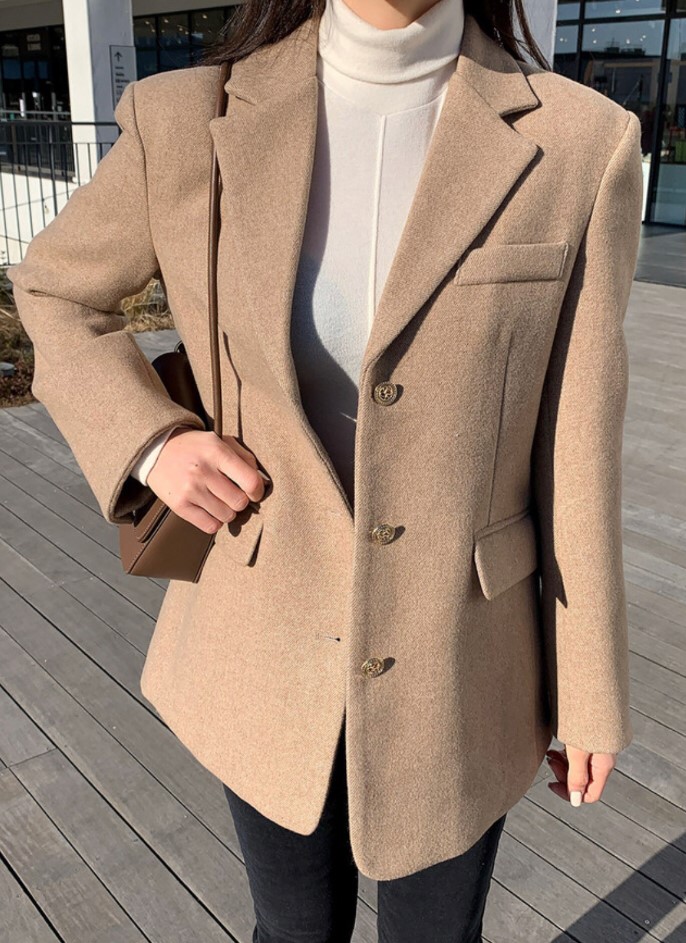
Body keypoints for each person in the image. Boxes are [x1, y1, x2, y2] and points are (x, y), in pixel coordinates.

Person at [7, 0, 643, 940]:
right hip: (264, 629)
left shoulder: (581, 143)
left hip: (461, 654)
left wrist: (588, 687)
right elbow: (57, 290)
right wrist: (153, 442)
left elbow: (579, 445)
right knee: (294, 927)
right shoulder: (186, 118)